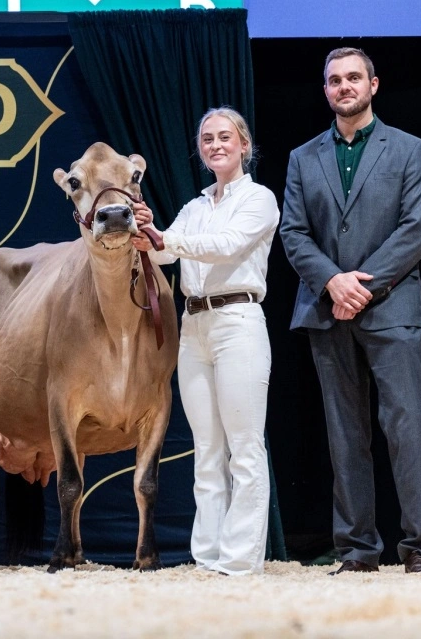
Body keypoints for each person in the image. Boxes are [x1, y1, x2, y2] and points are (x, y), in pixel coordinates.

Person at [279, 48, 421, 575]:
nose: (344, 86)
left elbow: (416, 229)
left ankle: (420, 547)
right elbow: (294, 233)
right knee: (345, 433)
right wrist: (332, 280)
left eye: (353, 77)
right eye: (334, 80)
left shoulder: (411, 149)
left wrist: (362, 286)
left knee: (406, 426)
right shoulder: (304, 157)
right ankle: (357, 549)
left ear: (374, 84)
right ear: (325, 90)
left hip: (390, 306)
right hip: (328, 310)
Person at [131, 107, 279, 576]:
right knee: (207, 447)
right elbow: (165, 246)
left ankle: (240, 560)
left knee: (244, 446)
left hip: (238, 320)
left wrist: (164, 239)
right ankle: (210, 554)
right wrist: (149, 231)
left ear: (244, 145)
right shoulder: (194, 208)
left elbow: (226, 244)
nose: (216, 145)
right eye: (207, 139)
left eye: (225, 138)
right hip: (194, 327)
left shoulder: (259, 199)